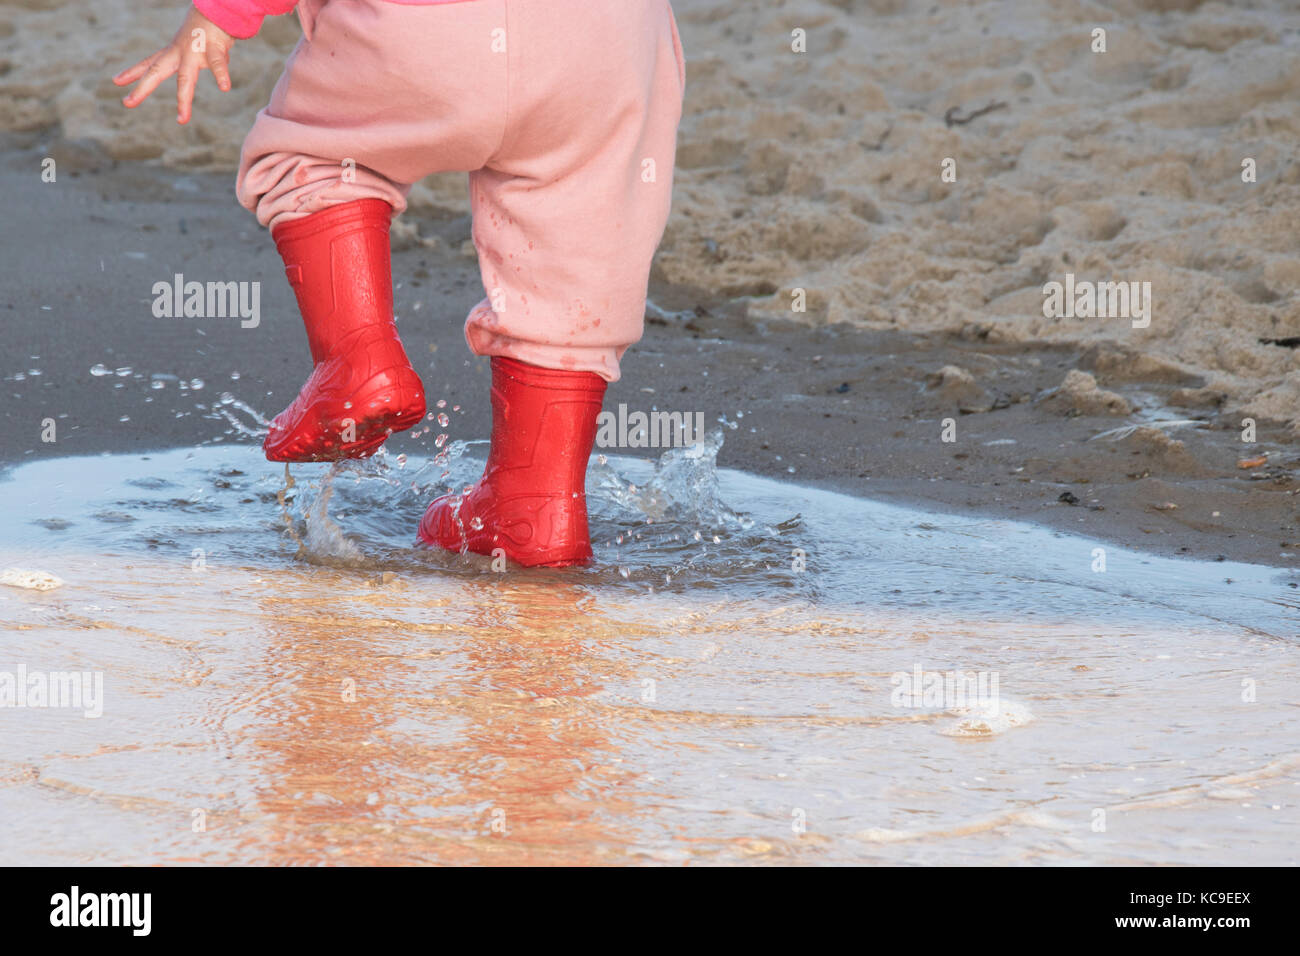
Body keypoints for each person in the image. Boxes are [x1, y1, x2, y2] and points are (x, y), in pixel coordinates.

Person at [114, 0, 685, 566]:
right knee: (580, 228)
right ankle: (536, 505)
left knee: (315, 157)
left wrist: (219, 15)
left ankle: (359, 360)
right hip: (601, 42)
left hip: (425, 32)